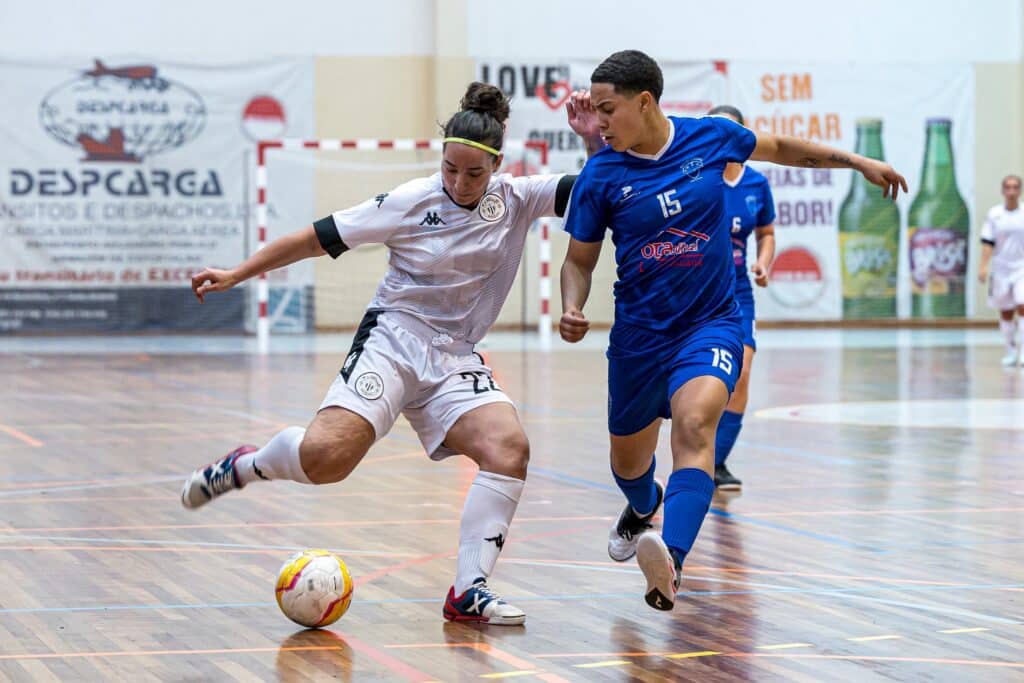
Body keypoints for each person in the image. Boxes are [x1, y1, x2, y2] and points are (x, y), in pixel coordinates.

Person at [180, 82, 580, 626]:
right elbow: (312, 239)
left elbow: (599, 189)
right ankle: (247, 465)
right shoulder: (410, 201)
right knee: (325, 461)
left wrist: (593, 138)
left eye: (473, 174)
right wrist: (237, 274)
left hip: (455, 357)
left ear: (497, 166)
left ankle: (469, 590)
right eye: (449, 169)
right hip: (393, 340)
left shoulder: (519, 198)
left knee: (508, 448)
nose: (459, 183)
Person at [560, 50, 907, 611]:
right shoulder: (601, 175)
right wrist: (572, 305)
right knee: (628, 466)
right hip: (639, 339)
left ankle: (671, 562)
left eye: (607, 109)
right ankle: (643, 503)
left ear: (644, 102)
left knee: (695, 427)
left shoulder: (712, 136)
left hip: (711, 323)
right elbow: (578, 261)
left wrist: (858, 162)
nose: (598, 122)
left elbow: (784, 148)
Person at [705, 104, 777, 490]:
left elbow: (766, 233)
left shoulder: (756, 185)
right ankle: (694, 454)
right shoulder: (697, 178)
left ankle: (715, 463)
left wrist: (763, 262)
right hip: (698, 291)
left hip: (738, 292)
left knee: (742, 373)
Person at [978, 174, 1024, 367]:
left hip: (1021, 268)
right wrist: (983, 266)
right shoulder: (994, 214)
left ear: (1020, 190)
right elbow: (988, 242)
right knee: (1006, 311)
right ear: (1003, 190)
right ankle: (1010, 351)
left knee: (1022, 304)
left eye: (1015, 187)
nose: (1011, 191)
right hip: (1001, 268)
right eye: (1008, 187)